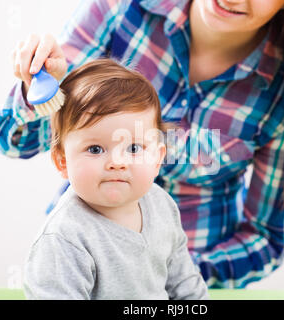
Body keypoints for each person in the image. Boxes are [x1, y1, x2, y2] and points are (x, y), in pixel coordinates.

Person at [0, 0, 284, 288]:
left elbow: (265, 237)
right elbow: (16, 142)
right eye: (99, 149)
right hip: (82, 269)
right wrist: (41, 92)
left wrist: (174, 273)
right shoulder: (122, 9)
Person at [23, 58, 209, 300]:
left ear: (156, 159)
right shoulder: (65, 238)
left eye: (133, 148)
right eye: (95, 149)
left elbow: (185, 285)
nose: (117, 162)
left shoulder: (161, 205)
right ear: (63, 162)